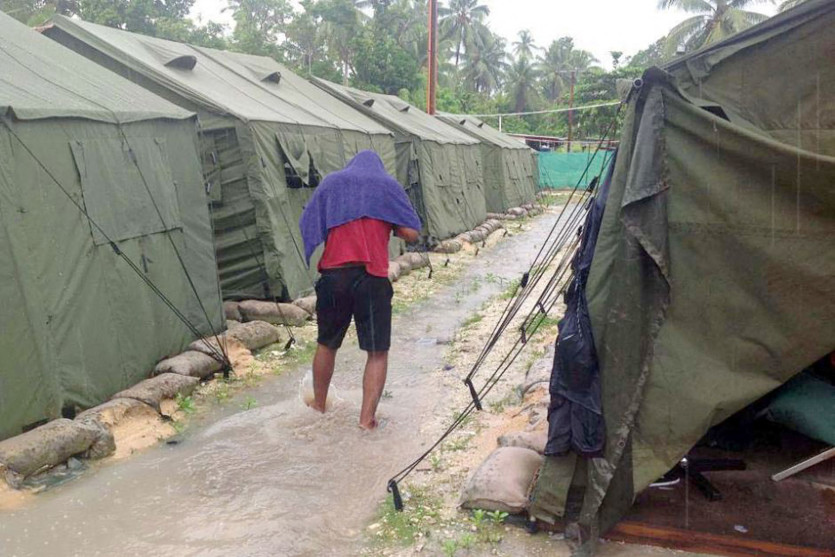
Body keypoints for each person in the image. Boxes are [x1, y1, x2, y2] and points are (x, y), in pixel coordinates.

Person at [299, 151, 421, 429]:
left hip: (334, 276)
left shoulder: (332, 184)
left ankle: (319, 407)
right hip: (372, 279)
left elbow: (310, 221)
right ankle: (366, 421)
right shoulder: (387, 186)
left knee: (327, 344)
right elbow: (411, 232)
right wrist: (389, 222)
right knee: (377, 352)